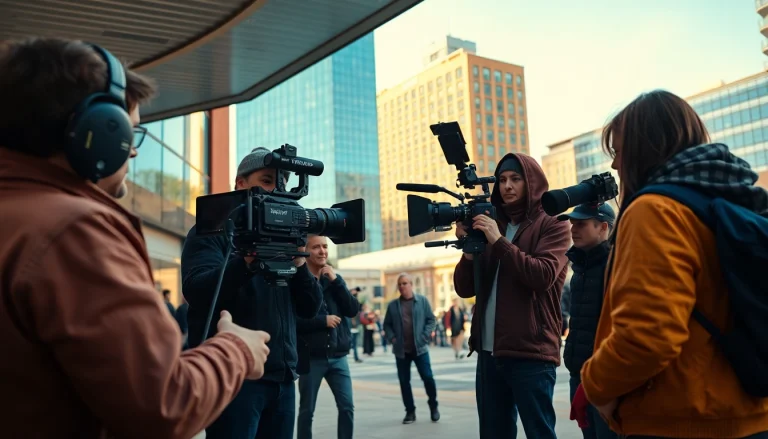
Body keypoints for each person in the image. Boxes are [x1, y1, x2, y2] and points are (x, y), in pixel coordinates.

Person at [0, 37, 271, 439]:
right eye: (130, 132)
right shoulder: (75, 232)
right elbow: (163, 406)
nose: (133, 152)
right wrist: (235, 349)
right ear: (96, 131)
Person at [580, 90, 768, 438]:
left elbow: (647, 335)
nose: (615, 166)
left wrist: (595, 385)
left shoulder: (655, 210)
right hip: (747, 412)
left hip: (681, 418)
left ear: (645, 148)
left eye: (619, 152)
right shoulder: (734, 198)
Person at [181, 147, 324, 439]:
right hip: (235, 378)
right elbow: (197, 291)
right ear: (240, 184)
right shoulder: (211, 231)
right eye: (268, 181)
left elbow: (310, 308)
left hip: (284, 379)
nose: (277, 190)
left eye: (282, 183)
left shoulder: (289, 238)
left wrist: (300, 263)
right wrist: (246, 261)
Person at [453, 153, 571, 439]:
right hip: (488, 352)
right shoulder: (493, 224)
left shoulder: (553, 223)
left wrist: (498, 241)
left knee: (539, 433)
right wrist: (469, 251)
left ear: (531, 182)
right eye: (503, 180)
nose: (507, 186)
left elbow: (542, 275)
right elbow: (465, 289)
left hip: (531, 353)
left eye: (516, 179)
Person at [557, 203, 618, 439]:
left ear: (603, 227)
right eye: (573, 223)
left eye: (581, 224)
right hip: (578, 373)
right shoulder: (580, 266)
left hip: (605, 378)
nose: (573, 229)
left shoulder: (615, 265)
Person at [296, 235, 360, 439]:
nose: (322, 251)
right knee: (307, 411)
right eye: (316, 247)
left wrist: (336, 280)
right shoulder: (297, 281)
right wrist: (322, 321)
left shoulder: (334, 280)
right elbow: (293, 321)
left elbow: (352, 309)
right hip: (311, 358)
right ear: (306, 251)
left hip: (338, 356)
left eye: (325, 246)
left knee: (347, 407)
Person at [383, 273, 440, 424]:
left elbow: (431, 320)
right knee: (404, 382)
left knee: (428, 378)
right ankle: (410, 411)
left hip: (420, 349)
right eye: (400, 284)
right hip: (401, 351)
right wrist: (393, 338)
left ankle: (433, 406)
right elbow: (387, 324)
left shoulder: (422, 301)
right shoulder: (393, 305)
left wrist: (424, 336)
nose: (402, 286)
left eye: (405, 283)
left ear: (411, 285)